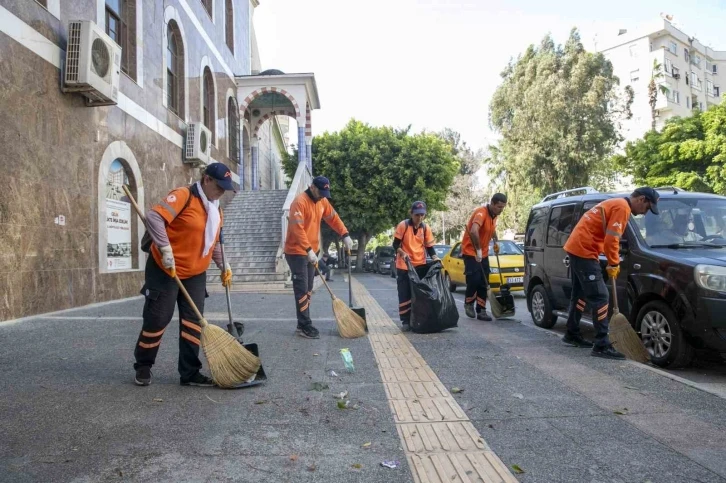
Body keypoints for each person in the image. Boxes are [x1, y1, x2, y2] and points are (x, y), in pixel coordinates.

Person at [133, 163, 236, 387]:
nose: (221, 192)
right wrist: (166, 249)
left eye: (225, 189)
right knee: (158, 318)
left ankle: (189, 373)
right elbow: (154, 218)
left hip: (195, 273)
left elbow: (213, 242)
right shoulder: (183, 196)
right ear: (207, 180)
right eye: (219, 187)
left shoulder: (216, 210)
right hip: (165, 269)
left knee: (193, 323)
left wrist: (223, 264)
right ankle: (143, 365)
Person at [562, 187, 659, 359]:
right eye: (647, 208)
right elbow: (612, 239)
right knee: (600, 296)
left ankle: (572, 334)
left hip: (578, 248)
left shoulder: (617, 203)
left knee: (580, 294)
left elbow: (607, 237)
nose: (645, 213)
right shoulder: (622, 207)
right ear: (642, 199)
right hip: (584, 250)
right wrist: (614, 262)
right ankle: (601, 345)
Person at [284, 176, 352, 339]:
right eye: (320, 192)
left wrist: (345, 234)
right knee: (301, 288)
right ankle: (304, 325)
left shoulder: (322, 202)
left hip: (311, 252)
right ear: (312, 187)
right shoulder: (299, 202)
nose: (322, 196)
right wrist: (308, 250)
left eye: (325, 193)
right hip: (296, 252)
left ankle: (304, 321)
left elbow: (333, 218)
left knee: (308, 289)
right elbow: (296, 229)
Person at [460, 194, 508, 321]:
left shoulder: (494, 216)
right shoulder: (481, 213)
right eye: (499, 207)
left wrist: (496, 242)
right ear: (492, 203)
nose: (500, 210)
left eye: (503, 207)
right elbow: (474, 230)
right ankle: (469, 303)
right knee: (474, 279)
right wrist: (479, 249)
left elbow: (491, 229)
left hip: (484, 253)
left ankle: (481, 310)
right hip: (471, 252)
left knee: (484, 282)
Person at [393, 201, 438, 332]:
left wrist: (435, 257)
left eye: (422, 215)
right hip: (404, 266)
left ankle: (418, 318)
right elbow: (395, 245)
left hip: (419, 266)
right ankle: (405, 320)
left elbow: (429, 247)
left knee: (419, 295)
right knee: (404, 294)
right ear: (411, 213)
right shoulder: (403, 225)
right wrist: (403, 253)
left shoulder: (425, 228)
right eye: (417, 215)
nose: (419, 218)